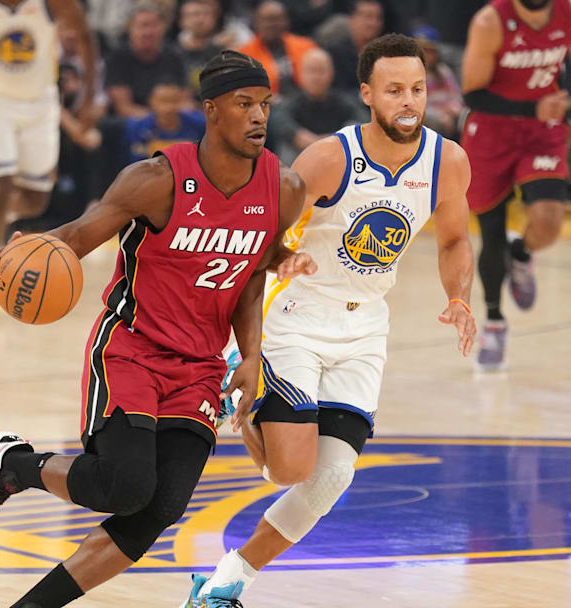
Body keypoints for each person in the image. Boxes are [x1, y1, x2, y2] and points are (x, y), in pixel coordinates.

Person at [0, 50, 315, 608]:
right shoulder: (156, 179)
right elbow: (78, 234)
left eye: (265, 104)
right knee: (125, 486)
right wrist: (18, 256)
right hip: (132, 349)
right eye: (244, 104)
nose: (259, 116)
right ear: (211, 110)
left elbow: (252, 275)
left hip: (201, 366)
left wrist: (252, 354)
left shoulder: (283, 189)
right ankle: (11, 466)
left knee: (160, 508)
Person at [181, 33, 476, 608]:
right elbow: (263, 229)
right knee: (289, 471)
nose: (409, 102)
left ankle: (228, 580)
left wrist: (458, 298)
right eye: (394, 90)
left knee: (333, 476)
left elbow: (455, 240)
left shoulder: (448, 162)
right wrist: (283, 255)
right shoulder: (329, 158)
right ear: (367, 94)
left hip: (366, 326)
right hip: (297, 314)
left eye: (417, 89)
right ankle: (238, 371)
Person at [459, 0, 571, 372]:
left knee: (549, 225)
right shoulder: (490, 22)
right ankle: (494, 322)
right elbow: (471, 94)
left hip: (542, 131)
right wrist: (531, 109)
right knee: (491, 235)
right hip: (491, 133)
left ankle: (520, 254)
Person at [0, 0, 96, 272]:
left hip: (40, 104)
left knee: (36, 201)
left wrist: (90, 96)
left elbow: (85, 37)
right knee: (0, 182)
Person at [267, 47, 365, 163]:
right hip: (301, 156)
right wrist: (298, 136)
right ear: (300, 74)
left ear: (331, 73)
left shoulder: (343, 101)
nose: (316, 77)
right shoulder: (290, 102)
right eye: (311, 71)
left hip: (338, 154)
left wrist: (338, 138)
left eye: (321, 71)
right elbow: (278, 121)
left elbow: (363, 119)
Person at [237, 1, 317, 96]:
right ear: (256, 23)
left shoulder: (306, 47)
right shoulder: (244, 56)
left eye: (276, 19)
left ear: (286, 21)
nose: (271, 25)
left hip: (305, 99)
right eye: (266, 20)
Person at [124, 82, 206, 163]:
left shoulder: (199, 124)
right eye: (163, 101)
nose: (169, 107)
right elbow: (135, 162)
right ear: (151, 101)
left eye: (174, 100)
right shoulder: (137, 127)